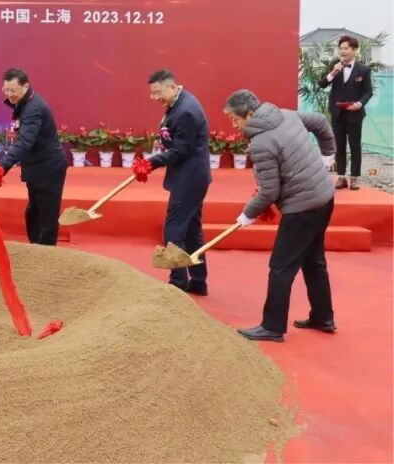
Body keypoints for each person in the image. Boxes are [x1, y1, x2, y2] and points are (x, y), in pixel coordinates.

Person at [223, 90, 337, 342]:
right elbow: (320, 121)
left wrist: (247, 214)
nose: (234, 125)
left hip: (303, 207)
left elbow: (269, 191)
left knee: (280, 267)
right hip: (324, 197)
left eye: (235, 119)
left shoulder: (261, 143)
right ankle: (323, 317)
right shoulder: (286, 115)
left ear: (250, 114)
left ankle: (272, 327)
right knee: (313, 260)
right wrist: (327, 156)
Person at [137, 69, 212, 295]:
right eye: (152, 93)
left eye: (157, 92)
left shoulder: (186, 111)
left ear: (171, 87)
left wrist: (151, 163)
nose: (155, 97)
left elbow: (181, 150)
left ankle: (178, 281)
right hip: (191, 175)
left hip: (190, 178)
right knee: (191, 231)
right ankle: (198, 281)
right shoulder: (177, 103)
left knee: (174, 229)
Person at [0, 67, 68, 245]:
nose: (9, 94)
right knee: (33, 213)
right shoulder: (25, 103)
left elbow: (24, 141)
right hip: (36, 166)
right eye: (6, 90)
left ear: (26, 86)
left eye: (13, 90)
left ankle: (46, 254)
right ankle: (35, 248)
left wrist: (3, 166)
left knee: (47, 217)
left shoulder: (33, 109)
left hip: (48, 168)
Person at [318, 35, 373, 190]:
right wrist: (333, 72)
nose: (343, 51)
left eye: (346, 48)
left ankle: (354, 178)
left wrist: (359, 104)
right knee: (339, 146)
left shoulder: (363, 70)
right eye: (341, 48)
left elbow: (368, 92)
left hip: (355, 113)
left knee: (355, 146)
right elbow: (322, 84)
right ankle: (341, 177)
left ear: (354, 50)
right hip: (337, 113)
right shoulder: (334, 65)